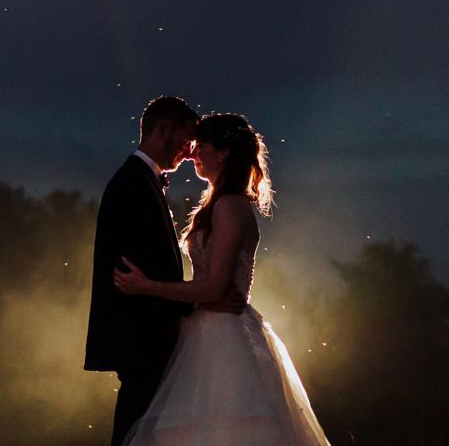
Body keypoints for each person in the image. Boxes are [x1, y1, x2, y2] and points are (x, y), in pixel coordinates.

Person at [114, 110, 333, 445]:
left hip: (223, 338)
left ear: (224, 152)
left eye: (201, 145)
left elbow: (216, 287)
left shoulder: (230, 205)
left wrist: (149, 287)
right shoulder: (217, 203)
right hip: (204, 331)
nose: (192, 152)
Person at [86, 97, 203, 445]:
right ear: (162, 130)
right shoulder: (131, 184)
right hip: (142, 341)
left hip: (148, 341)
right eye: (186, 140)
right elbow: (130, 271)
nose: (189, 150)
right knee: (134, 432)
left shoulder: (142, 181)